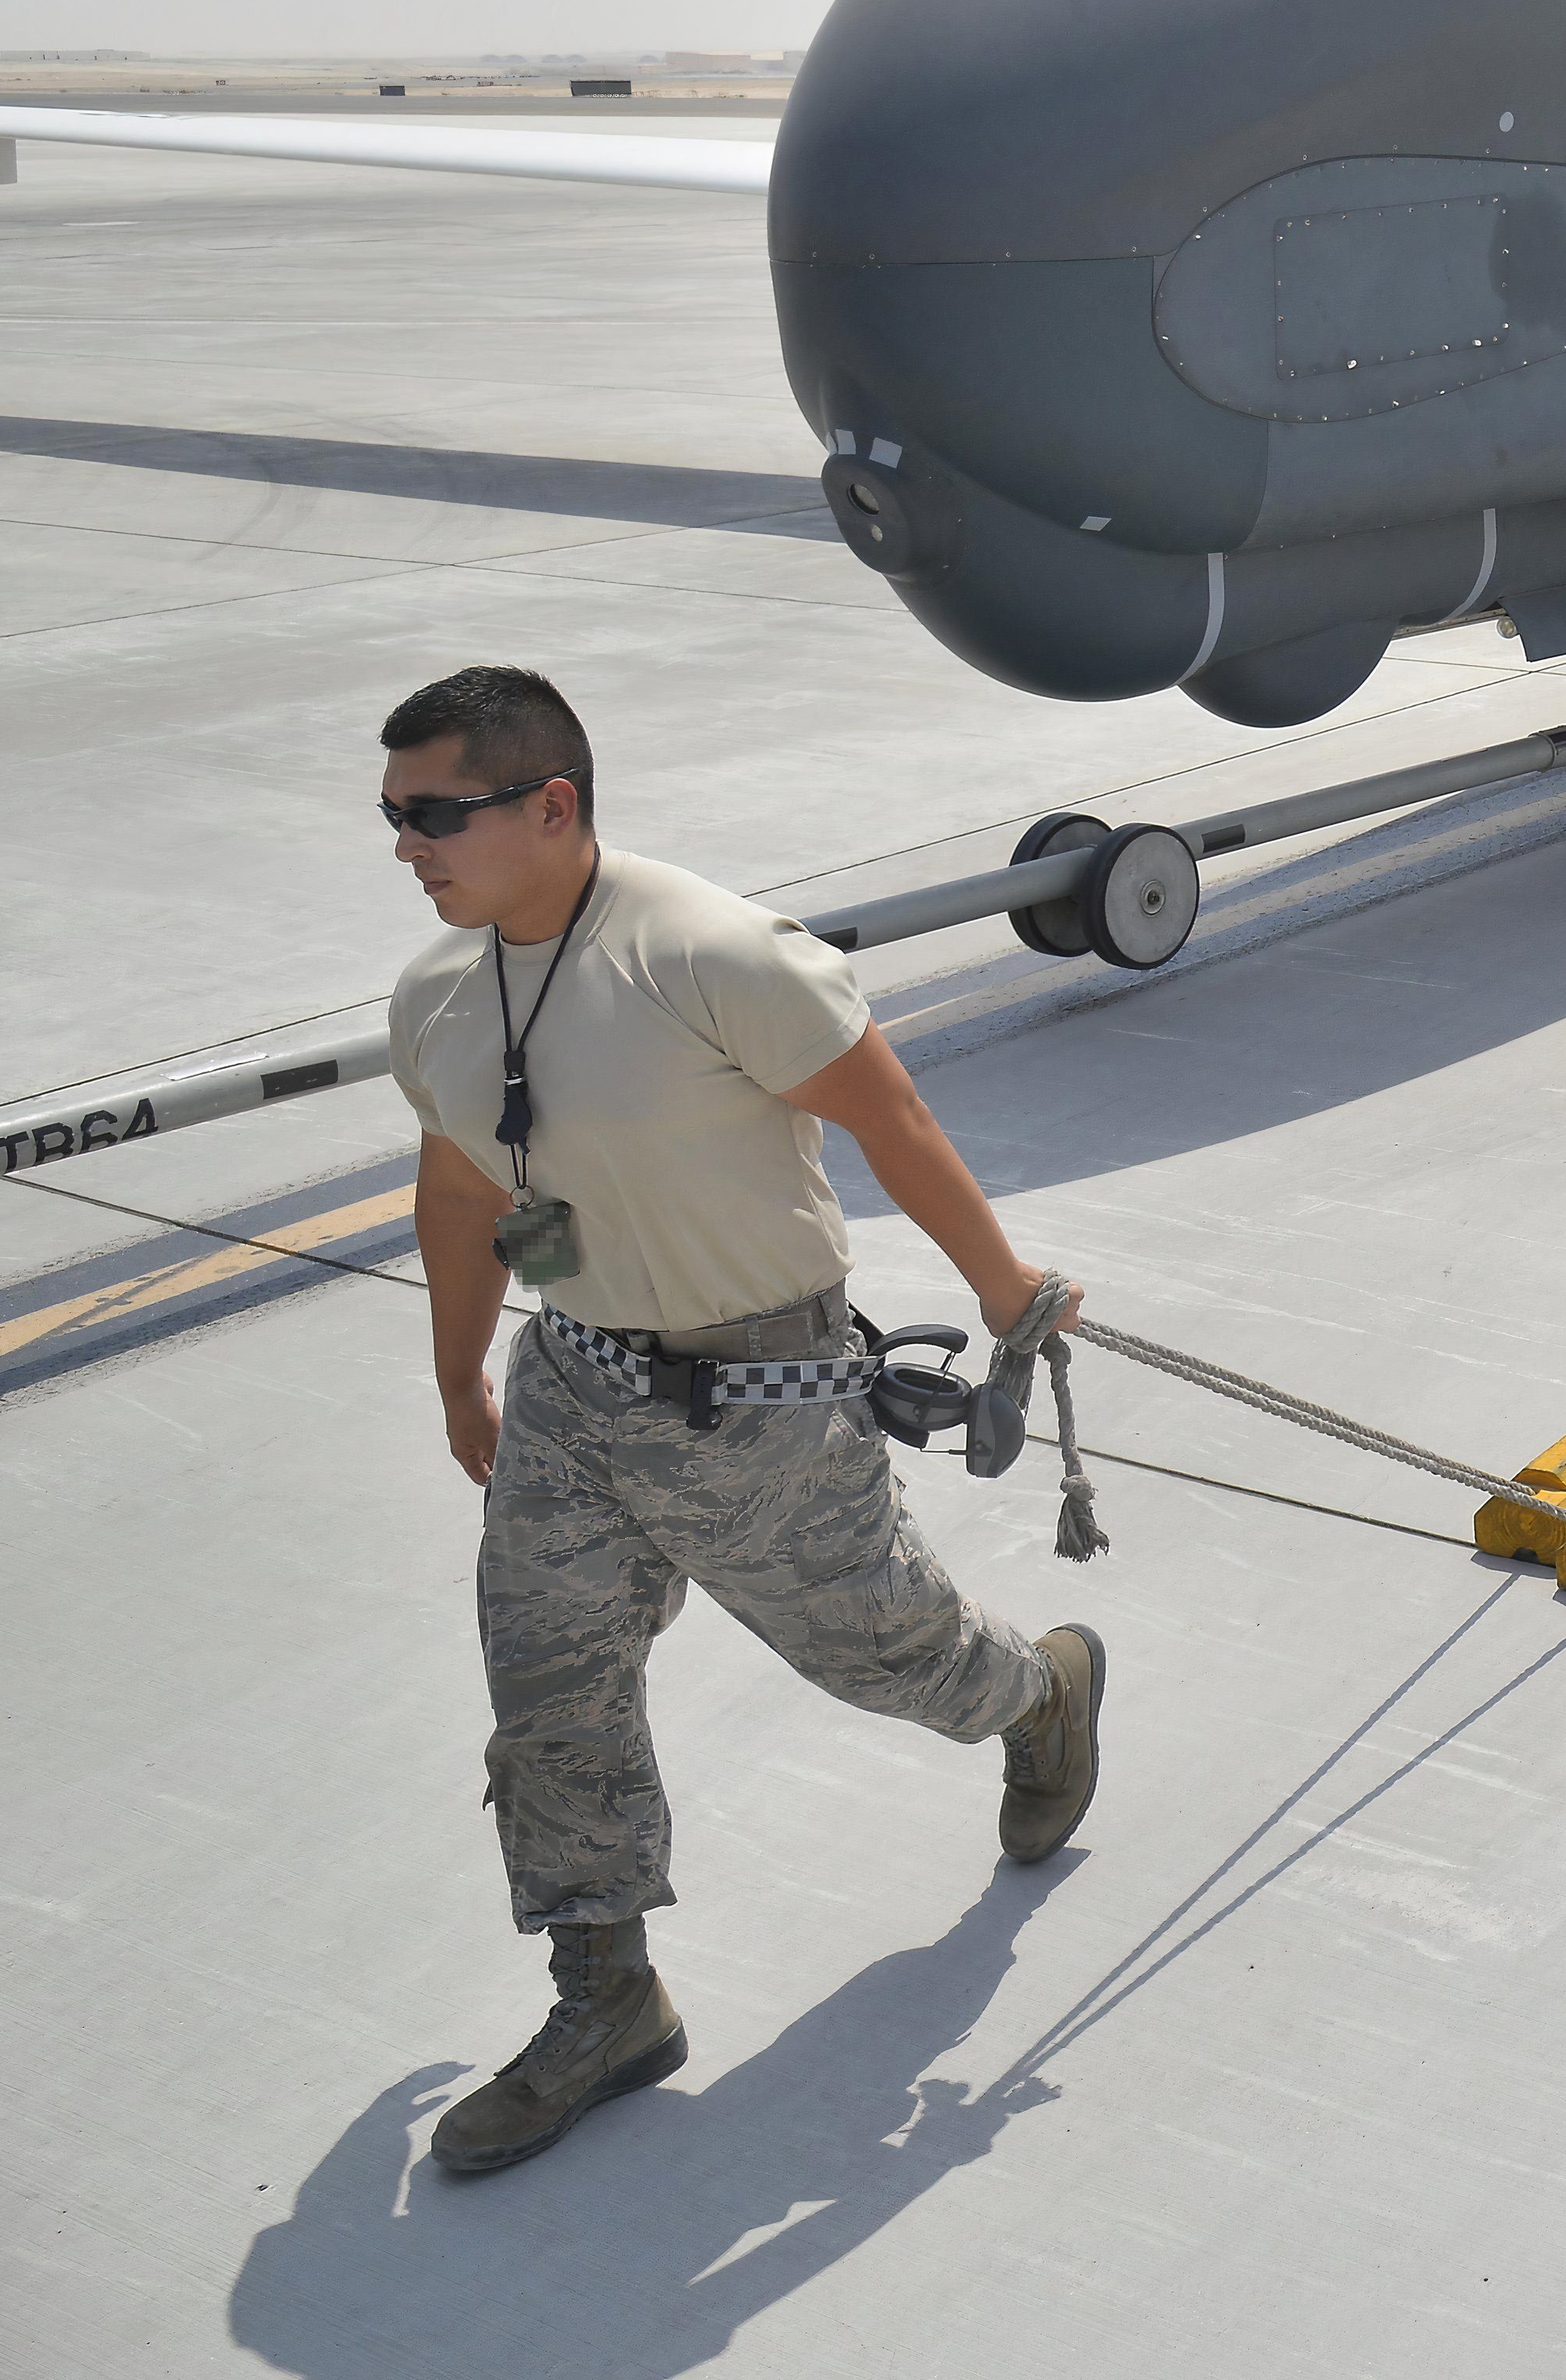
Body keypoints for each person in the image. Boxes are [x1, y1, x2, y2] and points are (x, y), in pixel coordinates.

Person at [377, 663, 1103, 2177]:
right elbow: (456, 1190)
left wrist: (1004, 1287)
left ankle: (1040, 1694)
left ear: (551, 803)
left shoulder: (708, 950)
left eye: (436, 813)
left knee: (885, 1653)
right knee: (549, 1683)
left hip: (757, 1395)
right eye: (394, 818)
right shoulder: (441, 993)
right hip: (576, 1382)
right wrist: (461, 1376)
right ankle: (607, 1997)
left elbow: (886, 1117)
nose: (409, 846)